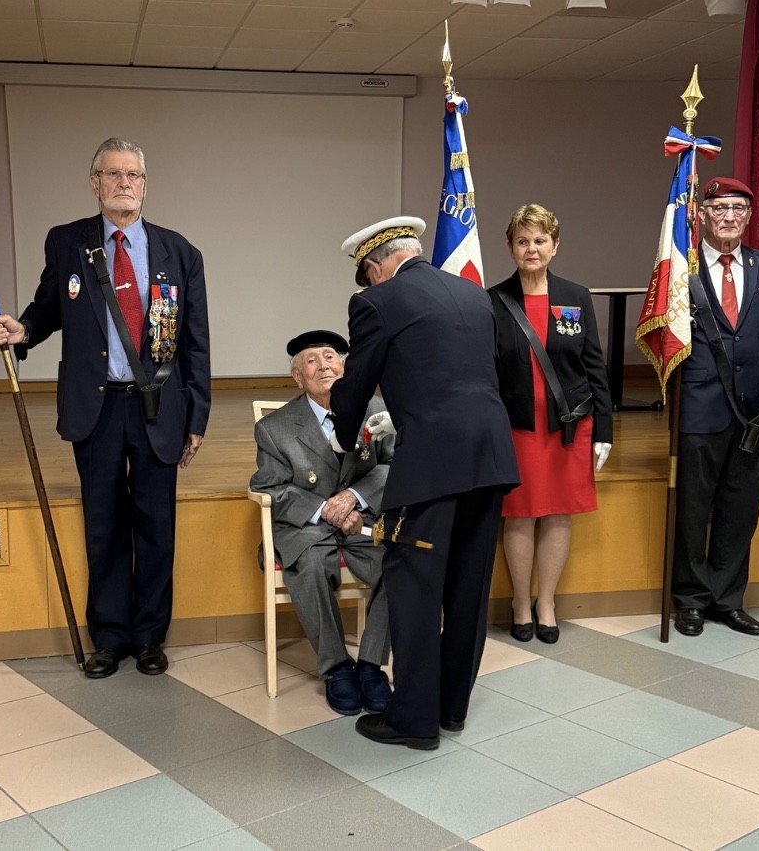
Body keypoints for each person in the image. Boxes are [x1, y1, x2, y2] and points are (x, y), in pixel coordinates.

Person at [0, 138, 211, 678]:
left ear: (145, 185)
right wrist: (24, 330)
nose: (124, 183)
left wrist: (197, 417)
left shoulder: (180, 252)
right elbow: (48, 307)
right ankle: (109, 637)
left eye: (133, 175)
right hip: (98, 406)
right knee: (104, 524)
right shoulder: (69, 242)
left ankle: (150, 636)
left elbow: (195, 343)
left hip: (159, 407)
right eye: (113, 174)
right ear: (95, 183)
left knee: (156, 525)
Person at [329, 217, 519, 750]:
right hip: (490, 459)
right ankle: (452, 708)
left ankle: (413, 719)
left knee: (413, 589)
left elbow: (356, 383)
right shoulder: (474, 294)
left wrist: (344, 433)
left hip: (432, 467)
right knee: (468, 590)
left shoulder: (376, 303)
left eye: (367, 275)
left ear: (375, 265)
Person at [249, 330, 392, 716]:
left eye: (330, 357)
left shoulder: (375, 410)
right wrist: (324, 509)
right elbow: (269, 487)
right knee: (309, 564)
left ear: (344, 367)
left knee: (399, 563)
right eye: (311, 361)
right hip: (307, 527)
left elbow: (396, 464)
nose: (324, 366)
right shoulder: (275, 428)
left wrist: (355, 497)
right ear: (298, 377)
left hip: (362, 522)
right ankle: (336, 667)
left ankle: (370, 665)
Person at [488, 204, 612, 645]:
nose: (532, 248)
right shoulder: (493, 301)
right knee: (520, 516)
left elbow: (593, 367)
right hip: (516, 428)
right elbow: (487, 371)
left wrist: (604, 430)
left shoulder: (575, 296)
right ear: (510, 247)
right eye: (522, 241)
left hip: (569, 426)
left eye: (540, 240)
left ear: (555, 246)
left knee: (558, 514)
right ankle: (521, 603)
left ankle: (547, 603)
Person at [672, 177, 759, 638]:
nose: (729, 217)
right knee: (693, 508)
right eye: (720, 208)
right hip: (699, 406)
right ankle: (691, 599)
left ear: (749, 216)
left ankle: (727, 599)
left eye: (738, 209)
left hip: (755, 413)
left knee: (741, 509)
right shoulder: (680, 267)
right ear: (703, 214)